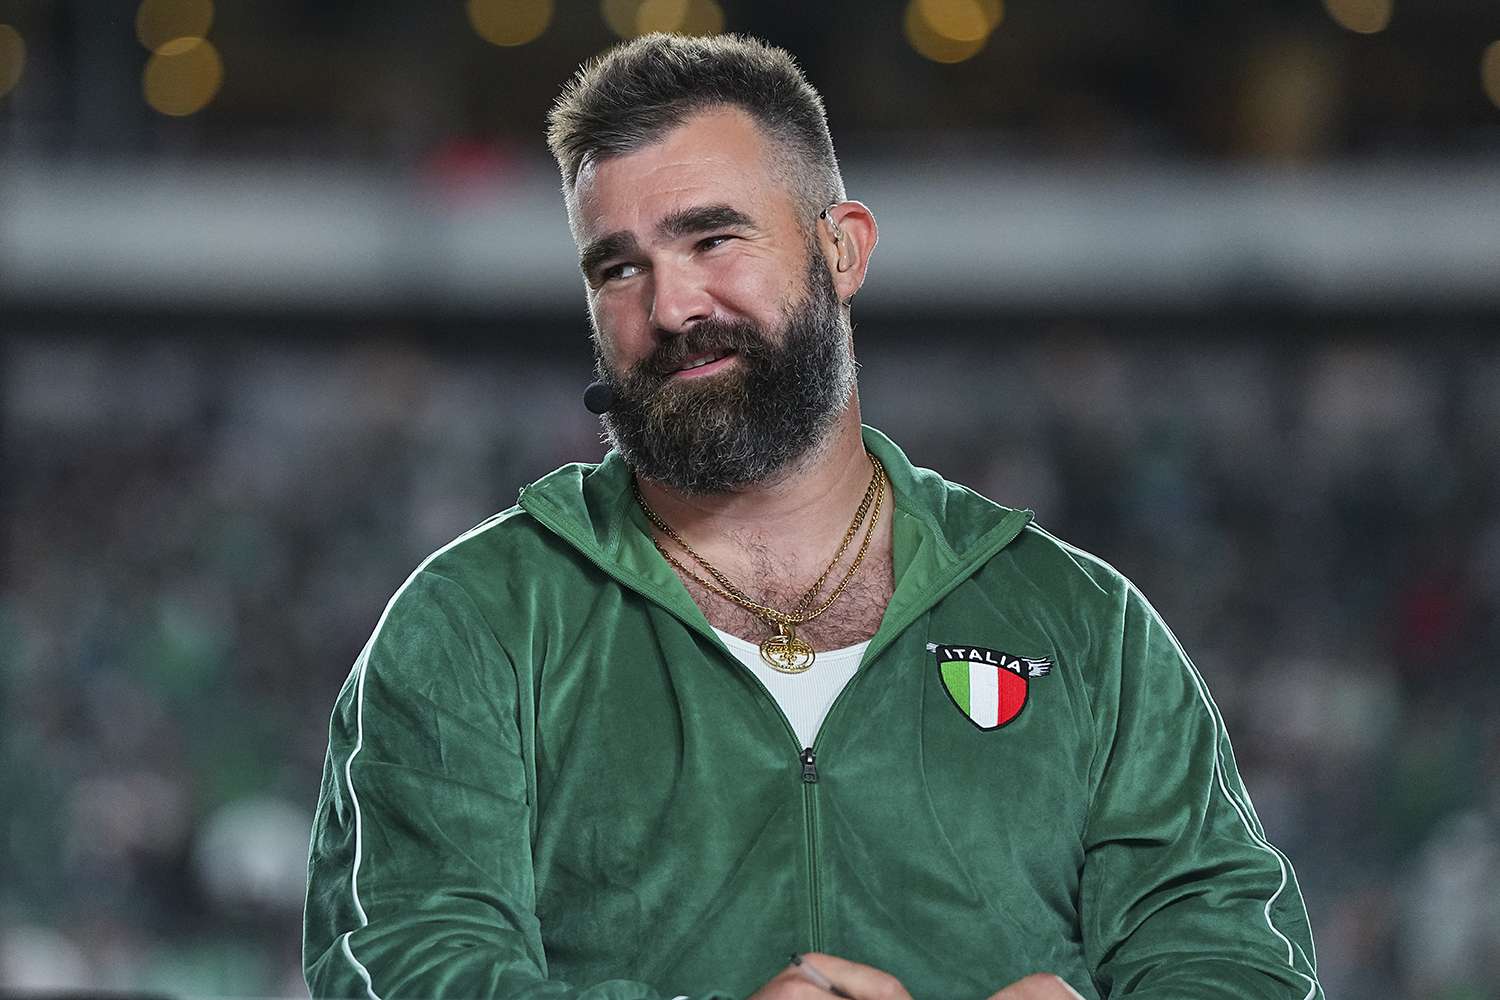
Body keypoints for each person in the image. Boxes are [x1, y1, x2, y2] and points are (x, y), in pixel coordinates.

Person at [303, 33, 1323, 1000]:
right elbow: (403, 963)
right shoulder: (478, 621)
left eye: (713, 237)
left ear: (842, 250)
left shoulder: (1080, 622)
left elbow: (1232, 952)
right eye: (619, 267)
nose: (670, 307)